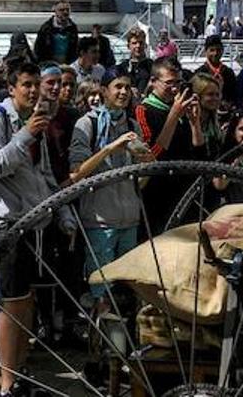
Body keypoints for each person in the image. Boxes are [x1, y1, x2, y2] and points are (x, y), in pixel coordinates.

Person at [0, 62, 74, 397]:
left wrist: (62, 213)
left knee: (27, 300)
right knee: (12, 300)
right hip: (8, 224)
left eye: (36, 85)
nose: (33, 91)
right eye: (26, 85)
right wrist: (24, 136)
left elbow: (44, 173)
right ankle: (6, 383)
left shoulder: (35, 120)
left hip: (36, 222)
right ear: (11, 87)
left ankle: (19, 373)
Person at [68, 74, 146, 315]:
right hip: (99, 221)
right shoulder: (87, 124)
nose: (123, 92)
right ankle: (101, 332)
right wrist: (110, 148)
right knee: (101, 289)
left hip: (130, 218)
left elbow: (140, 181)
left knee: (130, 286)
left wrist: (147, 163)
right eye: (117, 87)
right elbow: (76, 173)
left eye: (127, 87)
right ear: (104, 90)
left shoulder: (132, 125)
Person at [134, 59, 208, 234]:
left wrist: (194, 122)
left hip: (186, 194)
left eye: (178, 83)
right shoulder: (143, 111)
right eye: (169, 83)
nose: (175, 89)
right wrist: (174, 115)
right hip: (157, 197)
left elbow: (200, 154)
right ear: (153, 82)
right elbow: (151, 156)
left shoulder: (180, 108)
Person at [196, 34, 242, 109]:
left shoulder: (228, 72)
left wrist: (229, 103)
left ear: (222, 50)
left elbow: (235, 95)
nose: (215, 53)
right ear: (205, 51)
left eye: (218, 50)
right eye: (212, 50)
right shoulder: (200, 73)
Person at [115, 27, 153, 95]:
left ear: (145, 45)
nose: (138, 46)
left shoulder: (152, 66)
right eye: (134, 43)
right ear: (128, 46)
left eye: (141, 43)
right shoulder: (122, 68)